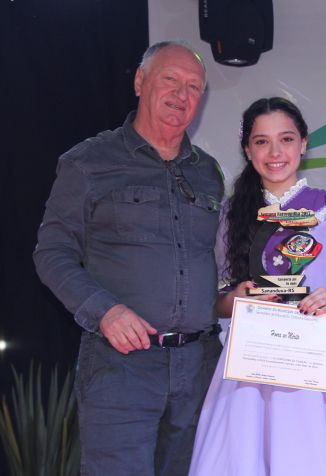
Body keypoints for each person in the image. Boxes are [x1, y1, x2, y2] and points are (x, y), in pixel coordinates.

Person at [33, 41, 224, 475]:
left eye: (193, 87)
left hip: (199, 367)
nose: (181, 95)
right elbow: (52, 252)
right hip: (121, 368)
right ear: (140, 82)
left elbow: (220, 260)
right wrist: (105, 311)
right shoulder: (89, 162)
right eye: (170, 80)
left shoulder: (208, 173)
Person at [188, 97, 326, 475]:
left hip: (320, 355)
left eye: (285, 139)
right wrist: (238, 298)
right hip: (253, 362)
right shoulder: (232, 213)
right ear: (247, 150)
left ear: (303, 143)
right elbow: (218, 300)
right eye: (262, 141)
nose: (275, 152)